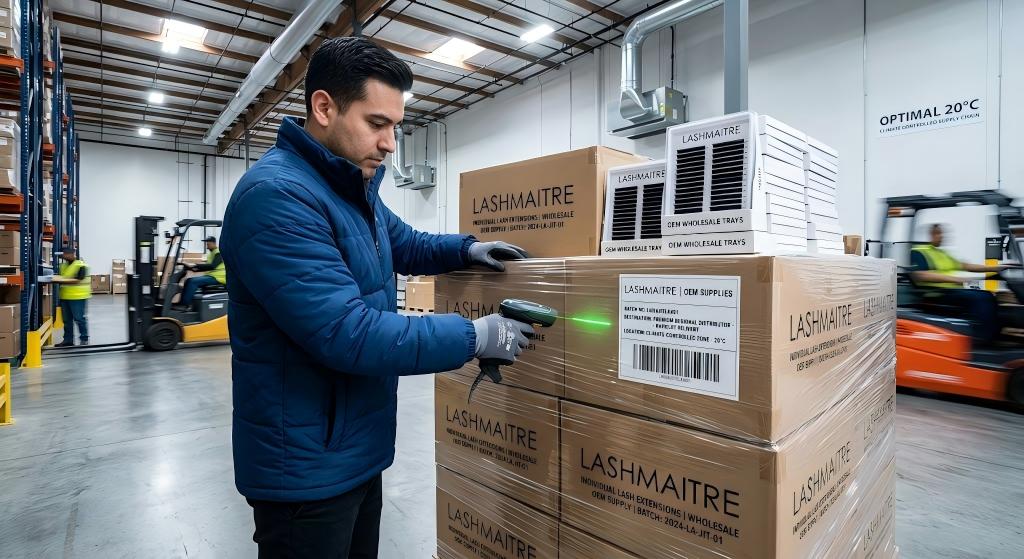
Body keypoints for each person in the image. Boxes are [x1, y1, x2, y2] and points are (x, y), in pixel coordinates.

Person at [220, 37, 533, 558]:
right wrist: (475, 334)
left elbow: (405, 243)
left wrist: (469, 249)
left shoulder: (348, 189)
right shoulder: (276, 197)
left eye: (396, 126)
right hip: (304, 467)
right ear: (324, 107)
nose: (390, 143)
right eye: (377, 123)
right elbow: (349, 333)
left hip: (354, 447)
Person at [911, 224, 1007, 342]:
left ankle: (993, 334)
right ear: (930, 235)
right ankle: (983, 339)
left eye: (942, 234)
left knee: (989, 295)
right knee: (981, 298)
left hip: (952, 292)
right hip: (936, 294)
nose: (942, 237)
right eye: (938, 233)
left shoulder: (943, 253)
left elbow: (966, 266)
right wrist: (956, 280)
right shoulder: (919, 252)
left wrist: (996, 268)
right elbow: (921, 275)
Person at [53, 247, 90, 347]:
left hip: (78, 297)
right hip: (65, 296)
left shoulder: (81, 265)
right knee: (66, 320)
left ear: (72, 254)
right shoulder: (63, 266)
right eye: (63, 254)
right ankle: (68, 340)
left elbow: (79, 279)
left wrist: (59, 280)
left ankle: (84, 338)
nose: (64, 256)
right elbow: (61, 277)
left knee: (79, 318)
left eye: (66, 254)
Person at [180, 235, 226, 308]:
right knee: (188, 280)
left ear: (214, 243)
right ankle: (184, 303)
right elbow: (208, 267)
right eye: (206, 244)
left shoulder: (218, 252)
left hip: (219, 278)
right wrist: (194, 268)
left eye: (208, 244)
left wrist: (195, 265)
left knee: (193, 282)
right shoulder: (211, 253)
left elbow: (212, 266)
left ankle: (185, 305)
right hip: (212, 276)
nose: (207, 246)